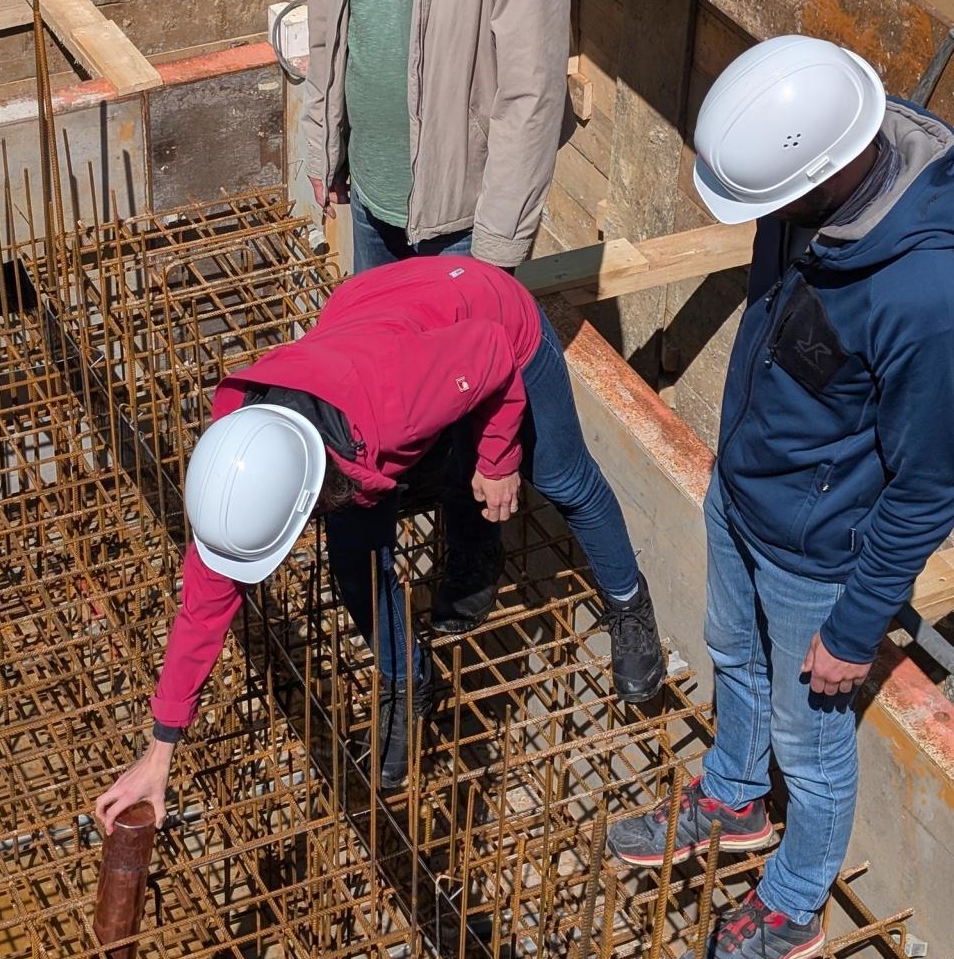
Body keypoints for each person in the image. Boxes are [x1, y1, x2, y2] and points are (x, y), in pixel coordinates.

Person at [608, 34, 954, 959]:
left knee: (814, 735)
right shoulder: (809, 182)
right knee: (732, 650)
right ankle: (732, 796)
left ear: (827, 171)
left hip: (823, 551)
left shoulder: (928, 297)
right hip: (747, 490)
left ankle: (793, 905)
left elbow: (930, 487)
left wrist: (855, 626)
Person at [96, 257, 665, 832]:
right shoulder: (243, 468)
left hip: (487, 316)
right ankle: (407, 678)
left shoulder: (395, 407)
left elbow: (491, 351)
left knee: (562, 478)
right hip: (377, 320)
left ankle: (628, 601)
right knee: (355, 564)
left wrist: (498, 459)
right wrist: (159, 750)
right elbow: (203, 608)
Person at [294, 0, 572, 637]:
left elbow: (531, 98)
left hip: (455, 219)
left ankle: (470, 575)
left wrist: (494, 261)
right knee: (379, 394)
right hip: (375, 204)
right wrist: (321, 157)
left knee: (466, 411)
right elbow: (331, 28)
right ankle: (378, 549)